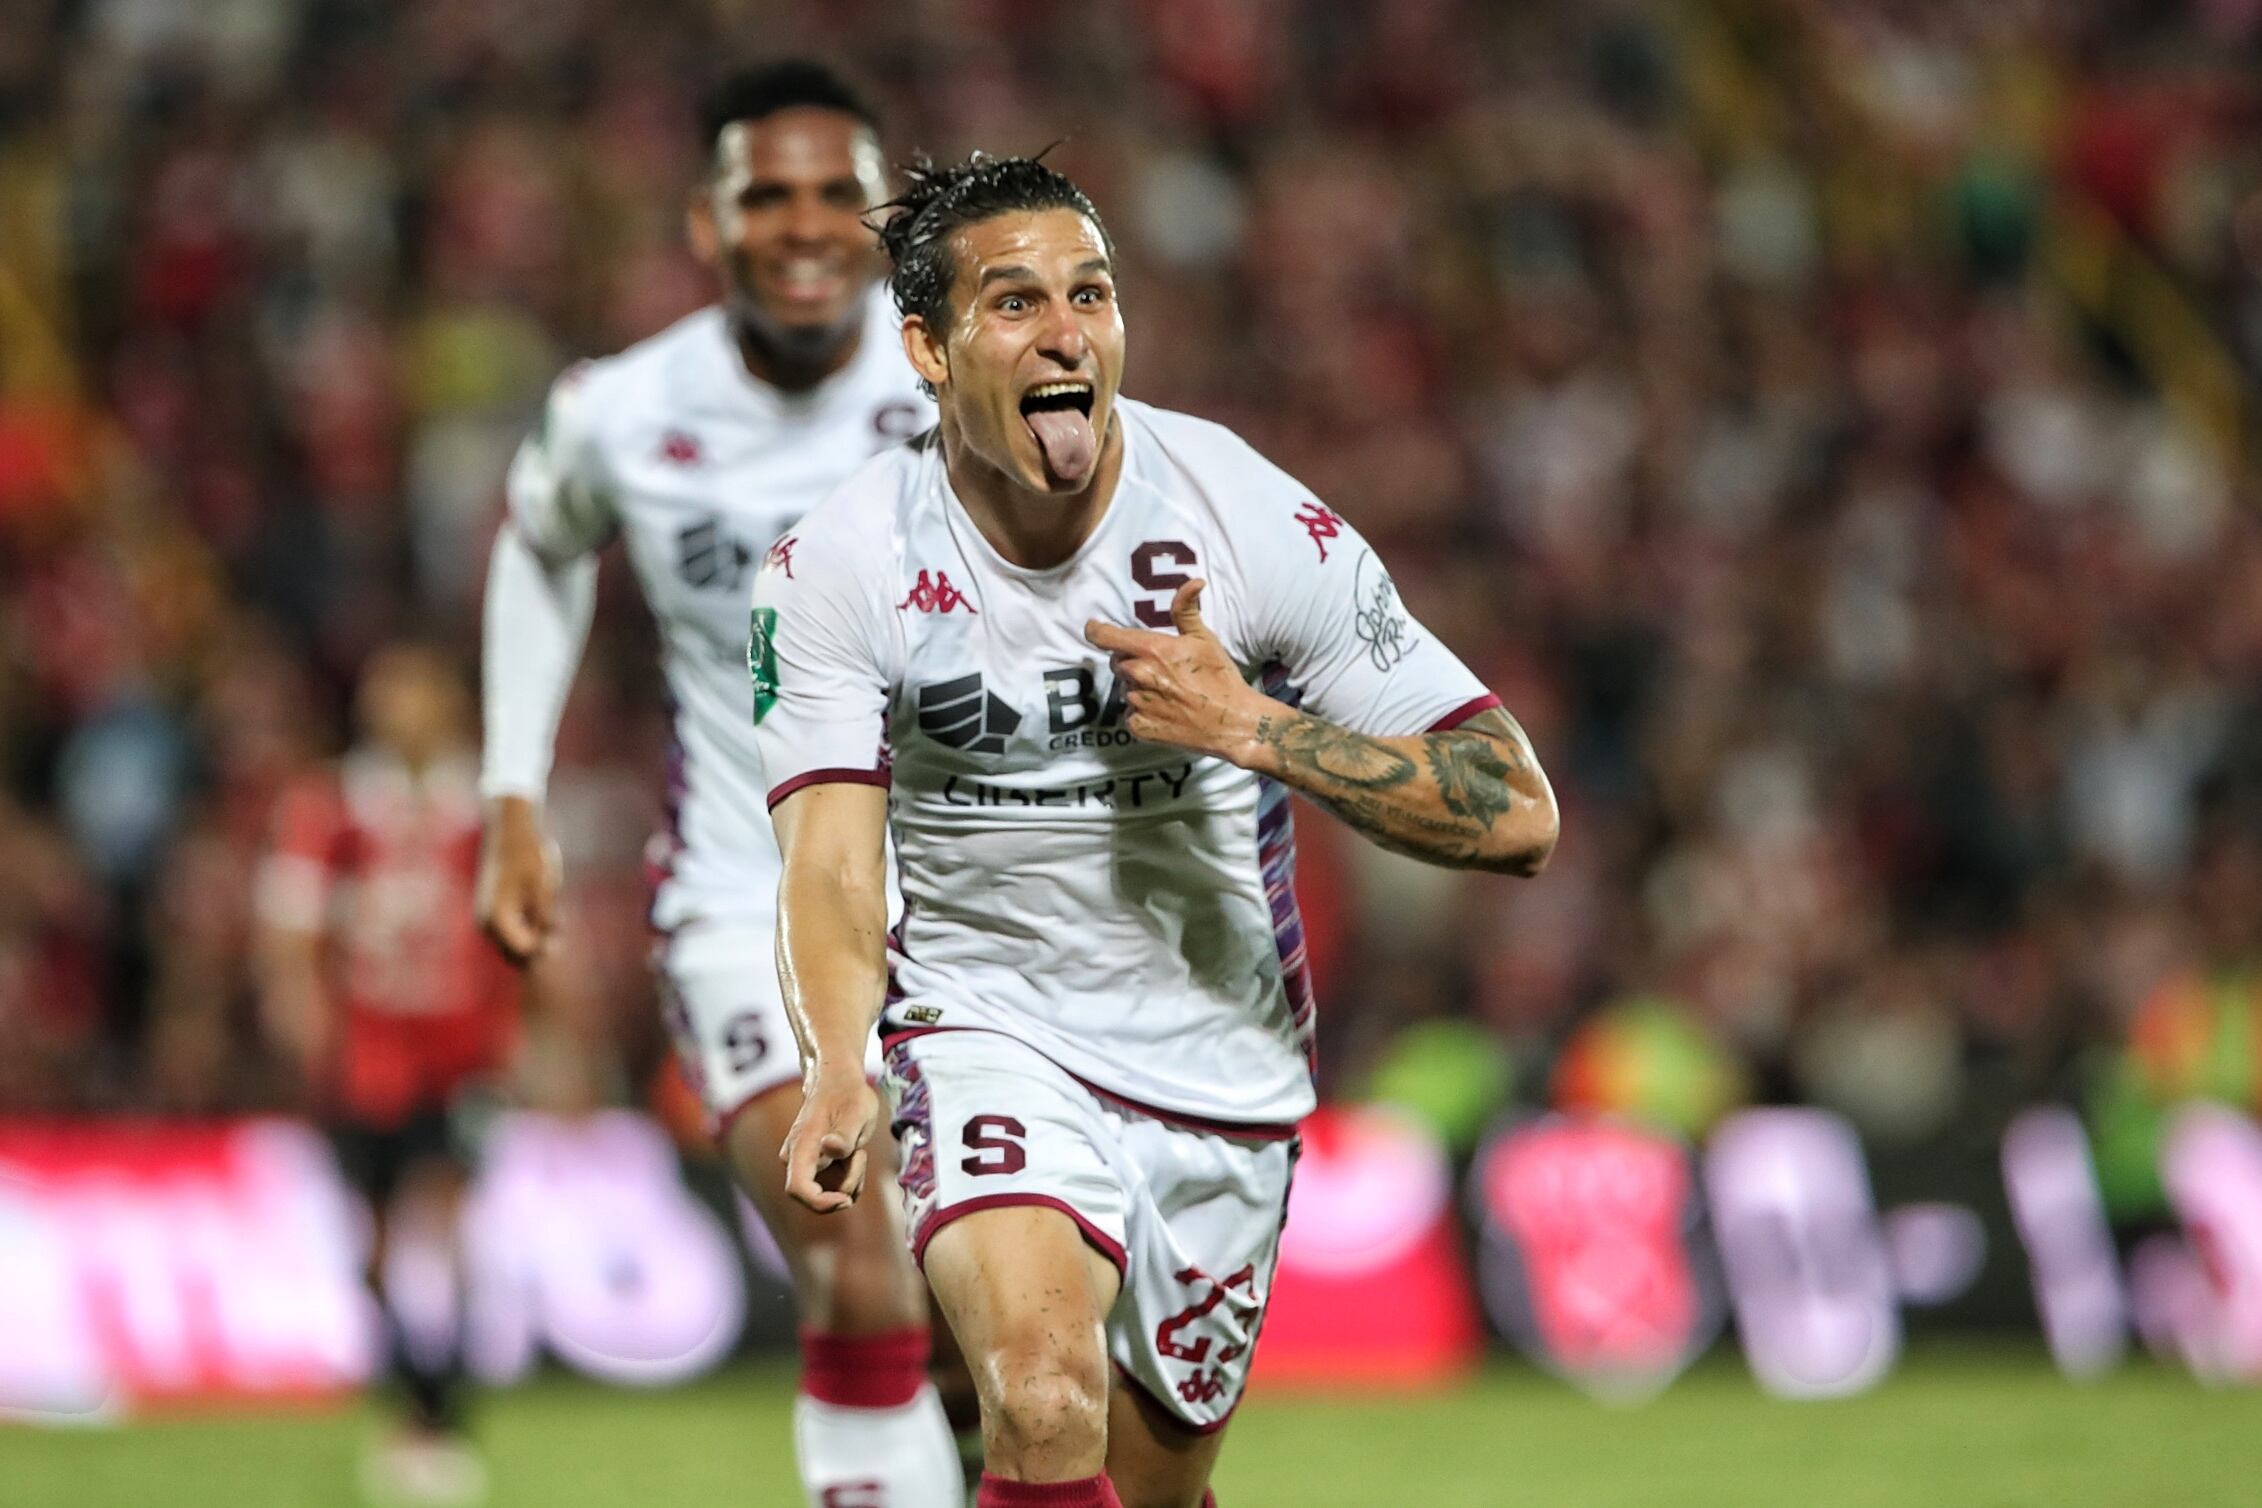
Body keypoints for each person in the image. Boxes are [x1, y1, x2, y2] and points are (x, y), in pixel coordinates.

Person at [753, 153, 1559, 1508]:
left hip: (1220, 1072)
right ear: (929, 350)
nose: (1066, 333)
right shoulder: (838, 562)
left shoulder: (1243, 514)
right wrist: (839, 1060)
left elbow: (1515, 809)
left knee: (1149, 1491)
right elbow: (830, 861)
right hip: (985, 1028)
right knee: (1040, 1396)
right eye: (1015, 303)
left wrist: (1255, 728)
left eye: (1091, 294)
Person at [474, 61, 961, 1507]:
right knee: (854, 1259)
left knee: (995, 1323)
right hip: (748, 905)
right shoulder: (623, 409)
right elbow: (538, 543)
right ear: (707, 222)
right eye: (767, 196)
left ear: (886, 222)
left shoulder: (965, 382)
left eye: (836, 195)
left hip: (971, 905)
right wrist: (513, 791)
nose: (803, 226)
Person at [258, 643, 512, 1507]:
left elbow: (522, 929)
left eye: (418, 691)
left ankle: (442, 1402)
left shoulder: (488, 807)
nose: (402, 708)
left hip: (462, 1052)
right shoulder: (329, 806)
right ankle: (412, 1384)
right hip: (366, 1057)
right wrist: (303, 1016)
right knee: (371, 1242)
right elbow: (291, 928)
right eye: (388, 692)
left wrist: (538, 1031)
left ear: (449, 705)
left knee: (445, 1218)